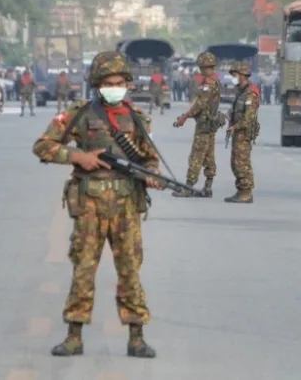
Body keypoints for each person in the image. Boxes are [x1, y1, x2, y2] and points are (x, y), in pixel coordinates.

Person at [32, 51, 160, 359]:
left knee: (129, 270)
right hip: (89, 203)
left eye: (120, 82)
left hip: (126, 205)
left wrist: (152, 175)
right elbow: (43, 146)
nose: (115, 87)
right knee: (84, 270)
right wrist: (79, 157)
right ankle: (74, 336)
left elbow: (150, 159)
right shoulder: (80, 113)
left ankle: (136, 337)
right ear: (97, 85)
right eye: (109, 83)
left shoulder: (137, 118)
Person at [173, 52, 225, 198]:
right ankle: (208, 187)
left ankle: (188, 186)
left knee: (196, 155)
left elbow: (200, 104)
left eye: (203, 68)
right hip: (211, 123)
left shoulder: (208, 84)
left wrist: (185, 116)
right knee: (209, 156)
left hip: (204, 124)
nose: (201, 71)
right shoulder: (215, 82)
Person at [224, 62, 261, 203]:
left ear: (242, 76)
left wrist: (235, 126)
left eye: (235, 75)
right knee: (235, 162)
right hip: (237, 131)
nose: (233, 78)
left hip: (243, 132)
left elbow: (249, 117)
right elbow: (236, 110)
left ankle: (246, 192)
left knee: (242, 163)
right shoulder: (241, 91)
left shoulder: (250, 93)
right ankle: (240, 190)